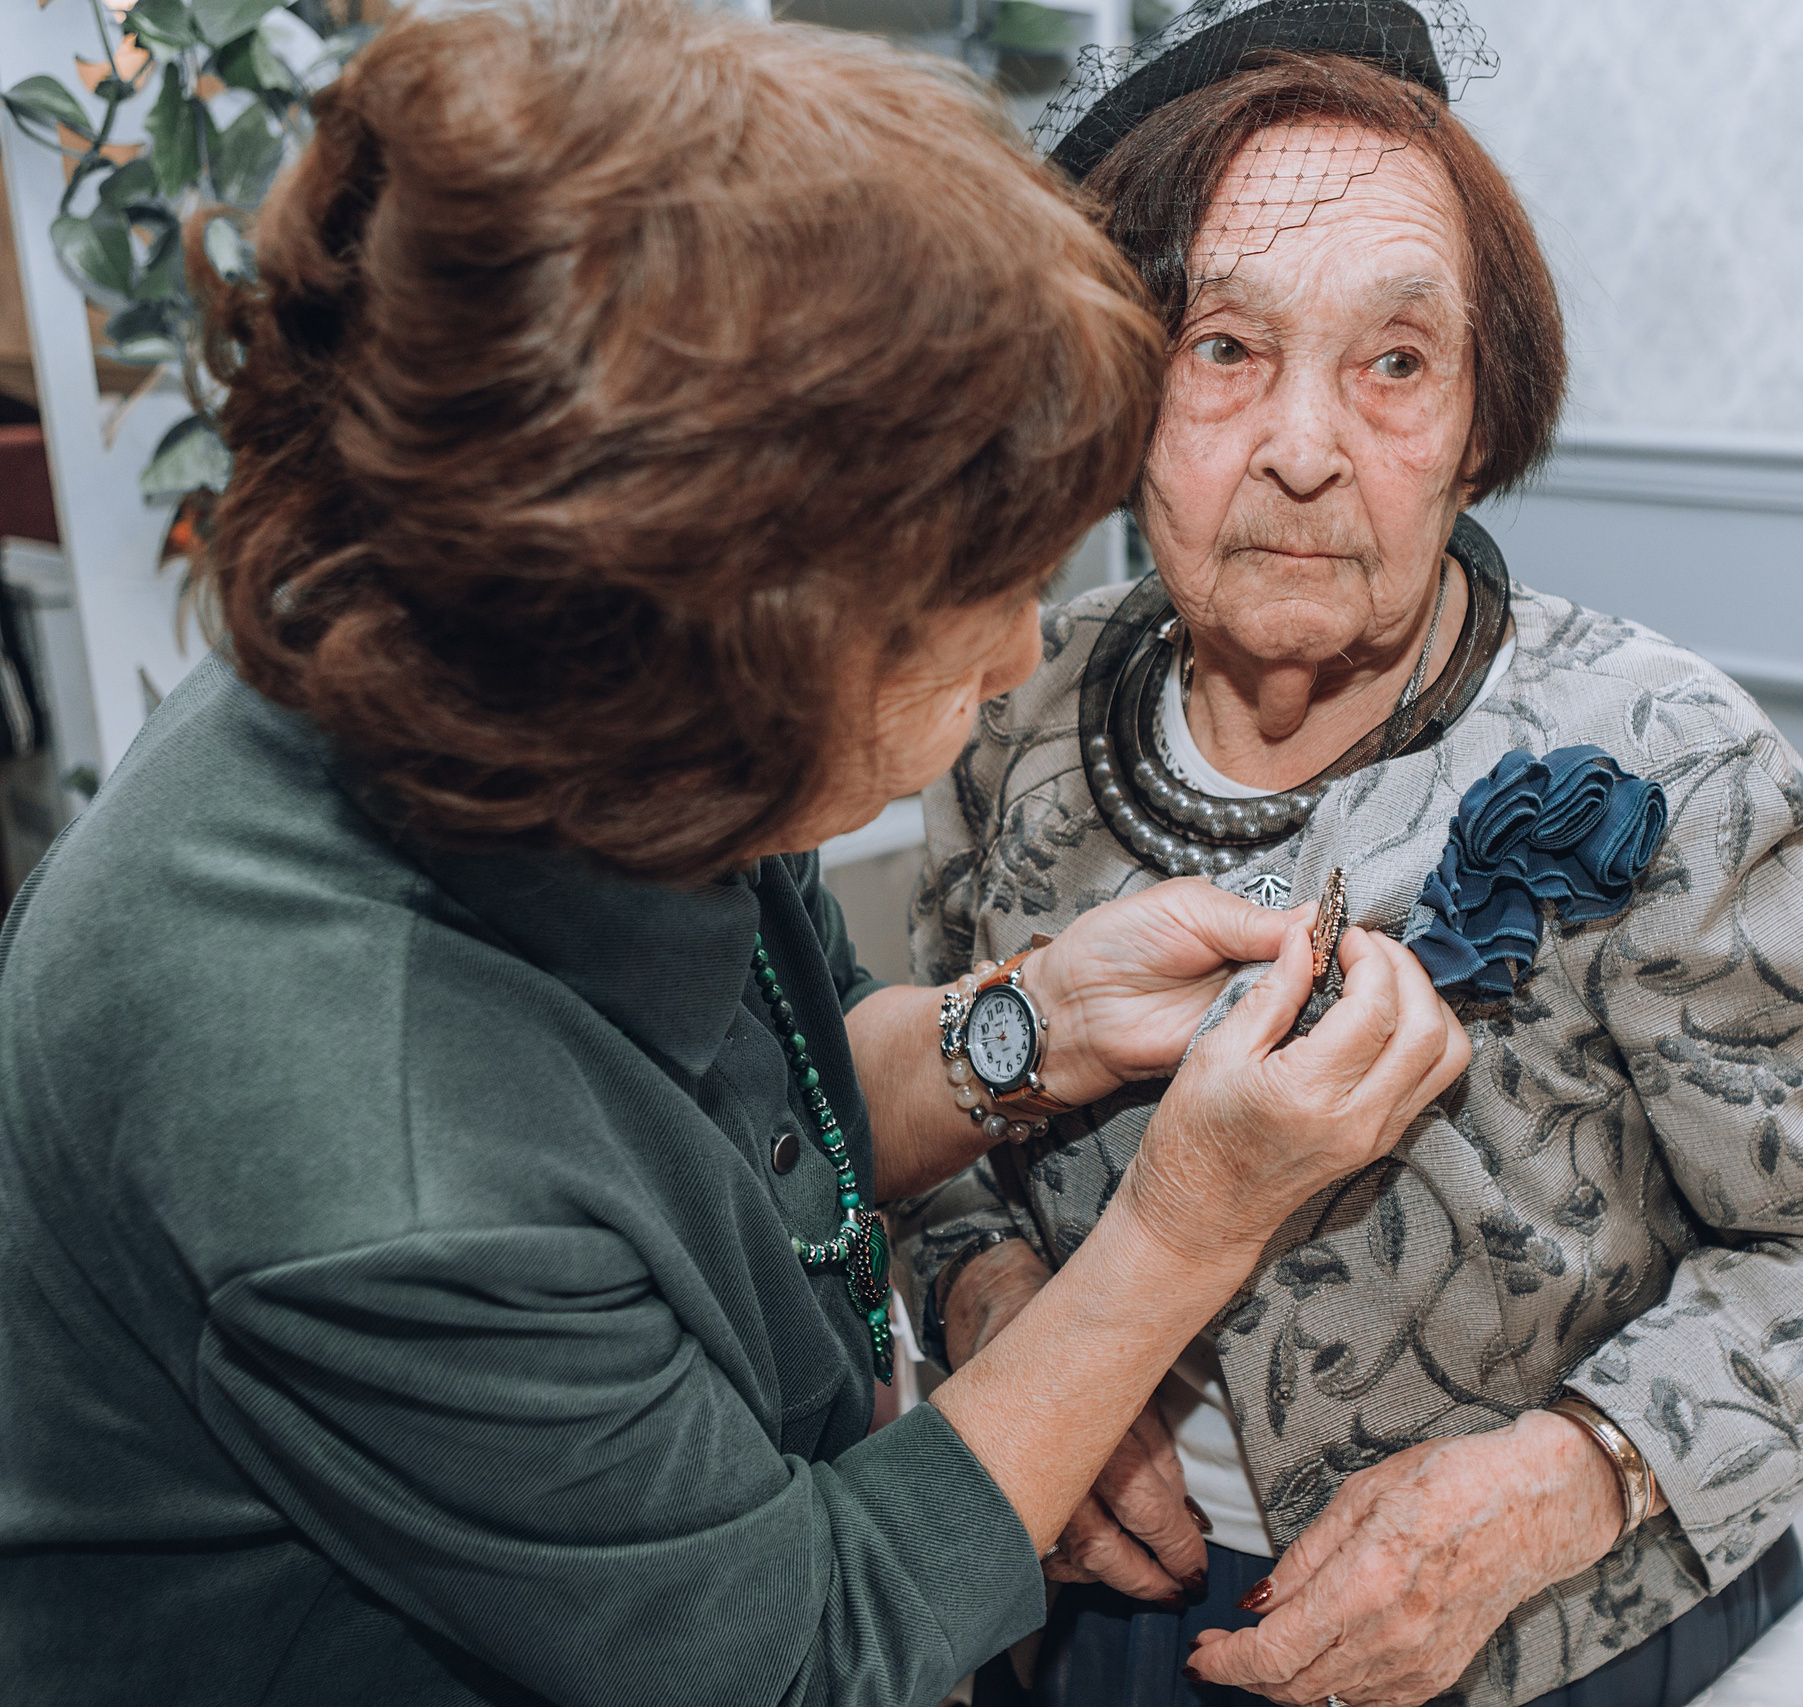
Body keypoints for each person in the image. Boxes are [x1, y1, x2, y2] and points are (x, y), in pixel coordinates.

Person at [0, 5, 1470, 1705]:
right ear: (712, 660)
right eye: (970, 601)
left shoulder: (541, 696)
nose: (1019, 654)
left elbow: (755, 1095)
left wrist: (1036, 1023)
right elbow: (804, 1658)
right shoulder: (361, 1144)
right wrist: (1185, 1228)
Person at [899, 6, 1803, 1706]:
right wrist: (996, 1302)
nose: (1307, 449)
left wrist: (1560, 1484)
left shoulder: (1674, 759)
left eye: (1396, 363)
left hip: (1546, 1633)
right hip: (1085, 1608)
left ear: (1481, 417)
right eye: (1223, 349)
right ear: (1116, 391)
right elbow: (933, 1105)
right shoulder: (1003, 707)